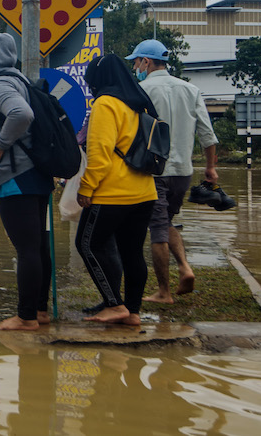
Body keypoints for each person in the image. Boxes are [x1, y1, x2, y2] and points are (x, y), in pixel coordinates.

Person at [126, 38, 221, 303]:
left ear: (146, 61)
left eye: (136, 61)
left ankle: (164, 292)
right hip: (183, 172)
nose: (135, 67)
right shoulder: (190, 90)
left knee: (156, 230)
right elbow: (208, 136)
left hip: (153, 172)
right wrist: (210, 169)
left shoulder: (141, 89)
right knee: (166, 222)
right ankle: (184, 267)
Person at [0, 32, 53, 331]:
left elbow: (21, 114)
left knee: (27, 250)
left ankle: (26, 317)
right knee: (38, 247)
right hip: (34, 174)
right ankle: (40, 311)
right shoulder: (19, 79)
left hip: (15, 176)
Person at [75, 54, 158, 326]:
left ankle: (114, 304)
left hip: (112, 193)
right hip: (144, 191)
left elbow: (99, 153)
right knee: (132, 251)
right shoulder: (140, 104)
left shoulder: (105, 103)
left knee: (86, 244)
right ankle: (132, 311)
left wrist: (86, 188)